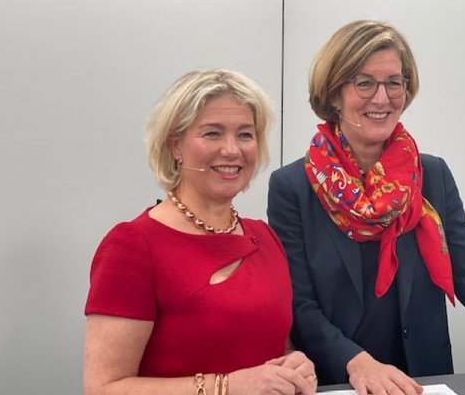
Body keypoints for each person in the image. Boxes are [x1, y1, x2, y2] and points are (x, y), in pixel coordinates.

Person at [267, 20, 465, 395]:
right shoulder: (293, 187)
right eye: (364, 83)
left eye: (393, 83)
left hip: (425, 381)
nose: (382, 98)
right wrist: (356, 361)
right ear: (333, 94)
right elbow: (300, 305)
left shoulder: (431, 175)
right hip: (340, 381)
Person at [84, 69, 317, 395]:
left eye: (245, 134)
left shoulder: (265, 238)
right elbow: (103, 388)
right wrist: (228, 387)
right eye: (212, 133)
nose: (232, 150)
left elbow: (269, 350)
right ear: (175, 145)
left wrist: (295, 365)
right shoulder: (133, 246)